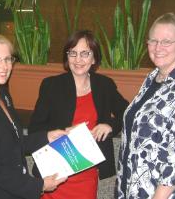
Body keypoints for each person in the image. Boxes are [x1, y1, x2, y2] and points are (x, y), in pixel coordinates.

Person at [0, 32, 66, 199]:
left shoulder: (2, 93)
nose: (4, 66)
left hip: (13, 190)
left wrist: (47, 137)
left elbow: (14, 142)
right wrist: (39, 185)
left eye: (8, 59)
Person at [115, 13, 175, 199]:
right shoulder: (152, 78)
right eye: (153, 41)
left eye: (166, 41)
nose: (158, 47)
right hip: (134, 188)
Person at [28, 30, 129, 199]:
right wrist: (63, 133)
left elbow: (127, 111)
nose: (78, 60)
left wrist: (110, 125)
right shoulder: (51, 86)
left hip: (87, 174)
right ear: (67, 57)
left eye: (85, 53)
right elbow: (35, 128)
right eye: (73, 53)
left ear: (94, 58)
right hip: (56, 173)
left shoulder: (104, 85)